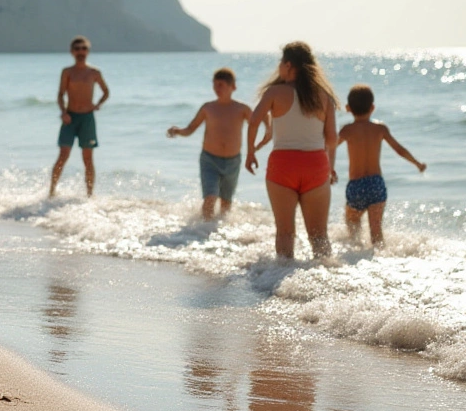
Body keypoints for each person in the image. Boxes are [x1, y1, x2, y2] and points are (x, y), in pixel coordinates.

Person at [246, 42, 339, 259]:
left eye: (280, 63)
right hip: (316, 165)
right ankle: (328, 280)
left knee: (285, 233)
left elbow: (253, 121)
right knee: (319, 236)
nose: (278, 67)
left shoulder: (275, 92)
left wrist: (251, 151)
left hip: (283, 165)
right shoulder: (325, 96)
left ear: (289, 65)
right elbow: (332, 139)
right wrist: (330, 167)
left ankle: (282, 283)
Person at [167, 68, 267, 220]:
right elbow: (191, 128)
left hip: (233, 161)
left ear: (232, 86)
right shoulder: (208, 108)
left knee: (226, 203)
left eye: (221, 85)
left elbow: (257, 120)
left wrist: (269, 126)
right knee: (210, 197)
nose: (217, 89)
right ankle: (202, 231)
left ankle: (219, 234)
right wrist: (179, 131)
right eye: (215, 85)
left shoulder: (241, 109)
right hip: (209, 160)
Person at [338, 84, 426, 246]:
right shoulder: (380, 129)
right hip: (376, 184)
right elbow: (399, 149)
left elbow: (328, 148)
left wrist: (327, 170)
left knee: (352, 223)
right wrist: (417, 163)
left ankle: (355, 254)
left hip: (356, 185)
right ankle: (379, 259)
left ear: (348, 108)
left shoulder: (347, 130)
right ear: (372, 107)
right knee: (376, 230)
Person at [50, 36, 109, 197]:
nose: (80, 51)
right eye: (77, 48)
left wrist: (98, 104)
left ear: (88, 51)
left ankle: (89, 195)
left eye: (84, 48)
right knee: (63, 156)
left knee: (88, 159)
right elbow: (61, 94)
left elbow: (106, 92)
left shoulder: (94, 72)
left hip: (87, 119)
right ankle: (52, 192)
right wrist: (63, 112)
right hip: (70, 117)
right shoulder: (67, 72)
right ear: (72, 52)